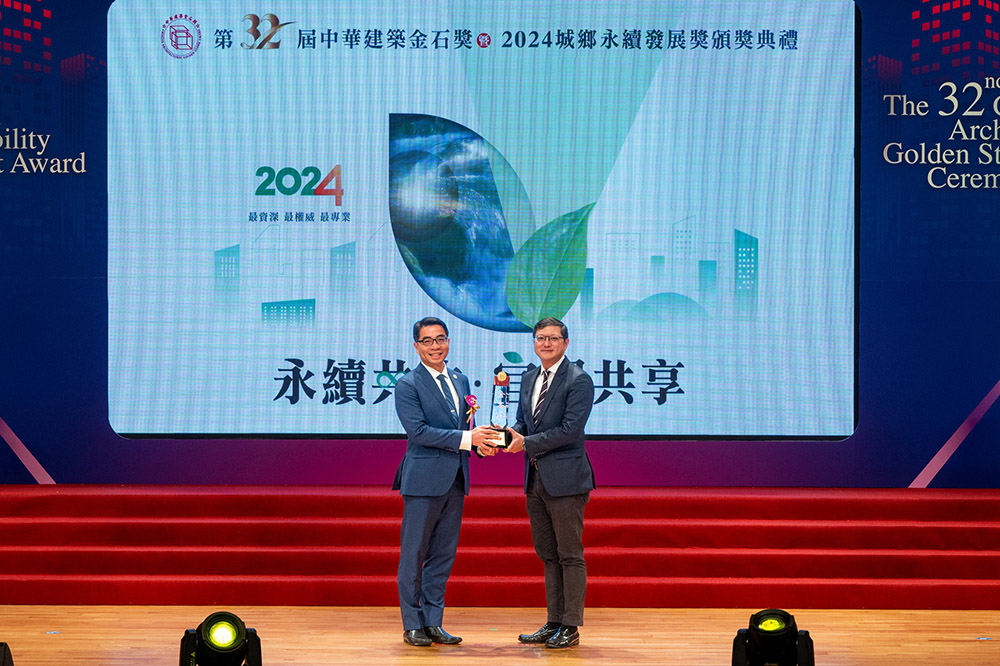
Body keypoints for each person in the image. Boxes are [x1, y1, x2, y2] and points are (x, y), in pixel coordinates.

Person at [392, 316, 496, 647]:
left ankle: (433, 622)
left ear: (448, 342)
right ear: (416, 346)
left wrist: (480, 444)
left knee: (442, 556)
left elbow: (465, 427)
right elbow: (419, 432)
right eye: (427, 341)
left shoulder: (460, 380)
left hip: (456, 478)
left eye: (440, 339)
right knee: (414, 555)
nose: (435, 346)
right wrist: (468, 439)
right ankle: (412, 625)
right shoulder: (408, 385)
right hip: (423, 481)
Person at [506, 316, 595, 649]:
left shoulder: (579, 380)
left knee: (569, 554)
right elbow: (523, 422)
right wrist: (505, 436)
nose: (546, 343)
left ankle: (570, 626)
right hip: (536, 479)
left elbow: (570, 430)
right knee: (548, 554)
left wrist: (525, 443)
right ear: (534, 342)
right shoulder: (529, 377)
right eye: (540, 338)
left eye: (553, 338)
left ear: (565, 343)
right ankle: (554, 621)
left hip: (567, 481)